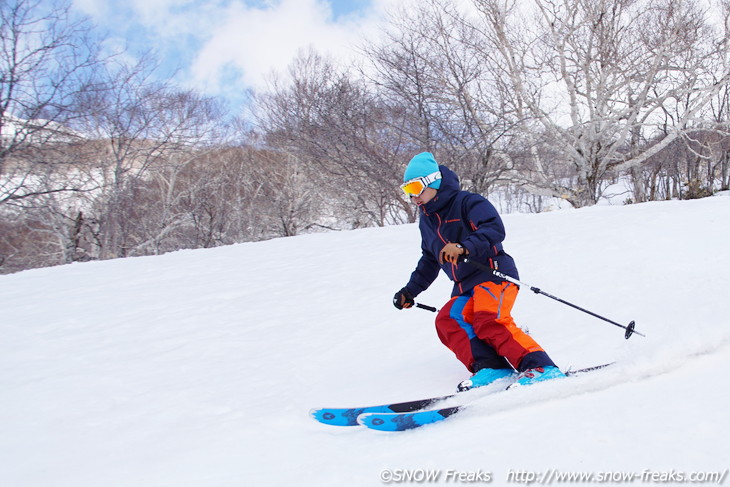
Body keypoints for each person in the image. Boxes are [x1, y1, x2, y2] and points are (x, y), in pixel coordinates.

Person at [393, 152, 564, 390]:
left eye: (415, 187)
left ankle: (541, 367)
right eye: (406, 190)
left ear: (433, 182)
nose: (413, 197)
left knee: (488, 319)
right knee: (447, 319)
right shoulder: (427, 220)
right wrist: (409, 291)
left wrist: (465, 247)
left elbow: (494, 228)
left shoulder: (466, 202)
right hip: (464, 285)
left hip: (493, 274)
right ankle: (492, 368)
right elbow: (430, 259)